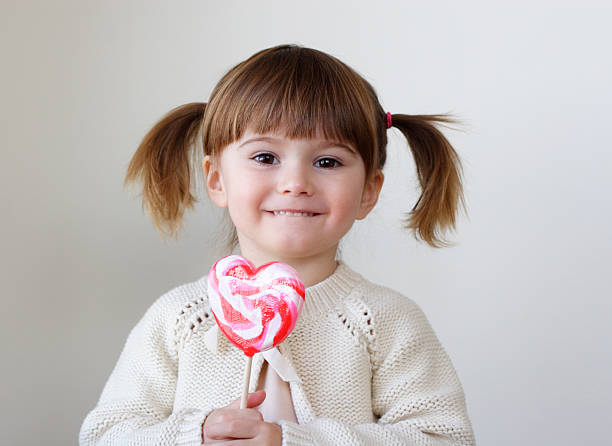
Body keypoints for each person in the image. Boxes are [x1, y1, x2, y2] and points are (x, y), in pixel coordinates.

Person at [79, 44, 476, 445]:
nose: (296, 183)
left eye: (328, 162)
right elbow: (104, 435)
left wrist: (295, 441)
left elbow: (445, 438)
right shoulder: (178, 320)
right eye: (266, 157)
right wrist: (193, 435)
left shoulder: (387, 323)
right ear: (217, 179)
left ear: (368, 191)